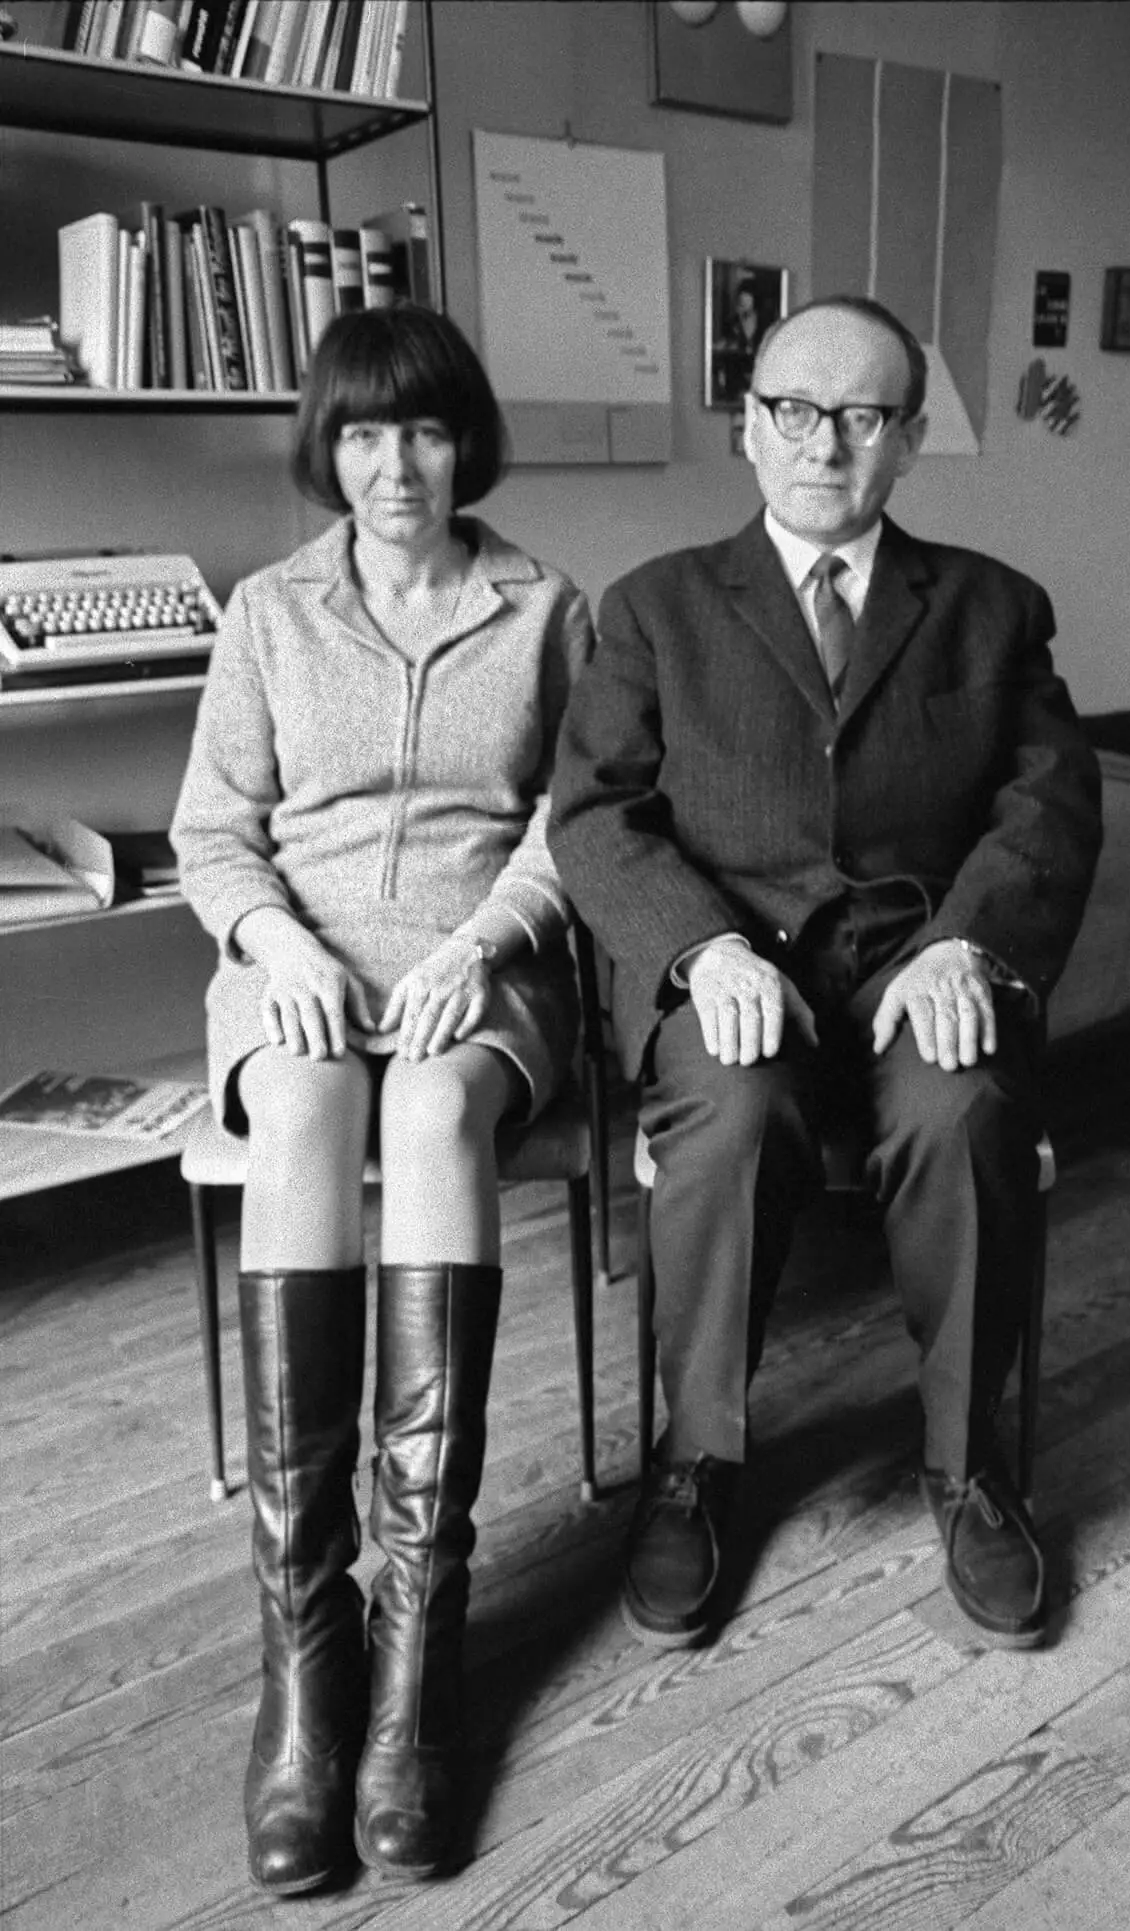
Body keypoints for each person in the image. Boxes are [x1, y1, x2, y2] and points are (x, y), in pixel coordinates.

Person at [550, 295, 1102, 1656]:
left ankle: (966, 1465)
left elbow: (1049, 801)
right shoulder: (655, 607)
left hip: (921, 962)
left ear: (908, 439)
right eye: (794, 410)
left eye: (862, 416)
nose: (824, 444)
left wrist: (969, 941)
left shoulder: (991, 607)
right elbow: (596, 815)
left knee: (964, 1107)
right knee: (731, 1111)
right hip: (736, 963)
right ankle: (694, 1463)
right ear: (748, 426)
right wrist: (700, 949)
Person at [171, 306, 592, 1894]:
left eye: (420, 429)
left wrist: (485, 945)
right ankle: (306, 1645)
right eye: (360, 433)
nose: (393, 465)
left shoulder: (545, 607)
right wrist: (274, 944)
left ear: (463, 440)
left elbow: (576, 822)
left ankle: (418, 1638)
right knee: (303, 1110)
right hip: (298, 963)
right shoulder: (270, 612)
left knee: (424, 1113)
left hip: (483, 968)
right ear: (326, 448)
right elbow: (214, 831)